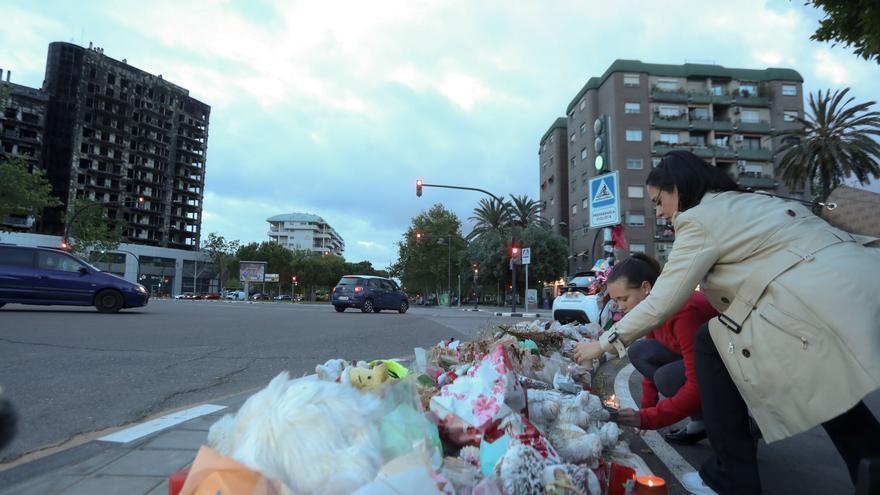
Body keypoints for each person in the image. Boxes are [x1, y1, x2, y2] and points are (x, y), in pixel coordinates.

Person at [574, 150, 880, 495]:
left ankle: (731, 475)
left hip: (807, 299)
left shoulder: (698, 219)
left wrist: (600, 344)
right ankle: (871, 465)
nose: (659, 212)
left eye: (659, 200)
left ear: (678, 188)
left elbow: (664, 298)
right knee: (828, 385)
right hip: (859, 280)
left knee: (712, 341)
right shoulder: (753, 200)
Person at [604, 253, 718, 442]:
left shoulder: (684, 310)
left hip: (732, 371)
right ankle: (702, 421)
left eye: (623, 299)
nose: (620, 307)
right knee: (639, 351)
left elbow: (695, 383)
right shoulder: (655, 313)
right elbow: (650, 361)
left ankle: (733, 423)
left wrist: (648, 418)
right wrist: (645, 410)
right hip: (702, 365)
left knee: (666, 377)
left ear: (646, 288)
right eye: (616, 301)